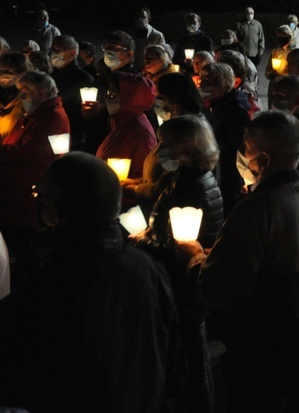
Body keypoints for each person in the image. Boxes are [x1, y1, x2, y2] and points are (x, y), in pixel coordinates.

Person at [0, 152, 186, 412]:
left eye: (38, 198)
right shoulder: (148, 269)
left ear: (53, 214)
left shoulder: (43, 294)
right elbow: (174, 367)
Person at [174, 111, 299, 412]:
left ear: (265, 159)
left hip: (265, 346)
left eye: (247, 147)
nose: (243, 154)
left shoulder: (257, 209)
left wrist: (195, 257)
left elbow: (223, 287)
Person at [130, 115, 223, 413]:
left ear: (187, 145)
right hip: (179, 281)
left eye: (166, 143)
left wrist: (141, 240)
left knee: (192, 358)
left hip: (183, 284)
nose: (161, 150)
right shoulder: (185, 178)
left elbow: (180, 246)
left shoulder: (192, 187)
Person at [0, 71, 70, 289]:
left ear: (41, 92)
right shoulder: (37, 115)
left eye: (25, 92)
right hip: (17, 198)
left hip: (27, 201)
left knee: (25, 256)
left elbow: (29, 152)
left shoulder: (54, 118)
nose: (21, 97)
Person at [122, 72, 205, 218]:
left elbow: (168, 185)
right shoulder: (177, 124)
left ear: (175, 100)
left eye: (161, 98)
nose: (158, 103)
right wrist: (139, 182)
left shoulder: (185, 131)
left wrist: (136, 189)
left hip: (172, 214)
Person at [199, 62, 251, 217]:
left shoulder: (235, 110)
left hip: (227, 179)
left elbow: (241, 148)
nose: (203, 84)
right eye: (202, 79)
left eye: (210, 81)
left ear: (224, 85)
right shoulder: (212, 104)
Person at [95, 69, 157, 182]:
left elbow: (145, 176)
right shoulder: (120, 124)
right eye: (109, 93)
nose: (109, 98)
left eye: (114, 94)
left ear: (130, 98)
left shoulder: (139, 131)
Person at [49, 35, 96, 152]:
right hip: (51, 129)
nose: (53, 53)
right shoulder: (51, 76)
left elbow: (87, 115)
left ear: (72, 53)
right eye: (52, 50)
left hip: (72, 136)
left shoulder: (84, 79)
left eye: (58, 50)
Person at [0, 52, 32, 139]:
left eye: (8, 71)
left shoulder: (30, 96)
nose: (3, 74)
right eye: (1, 70)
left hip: (17, 144)